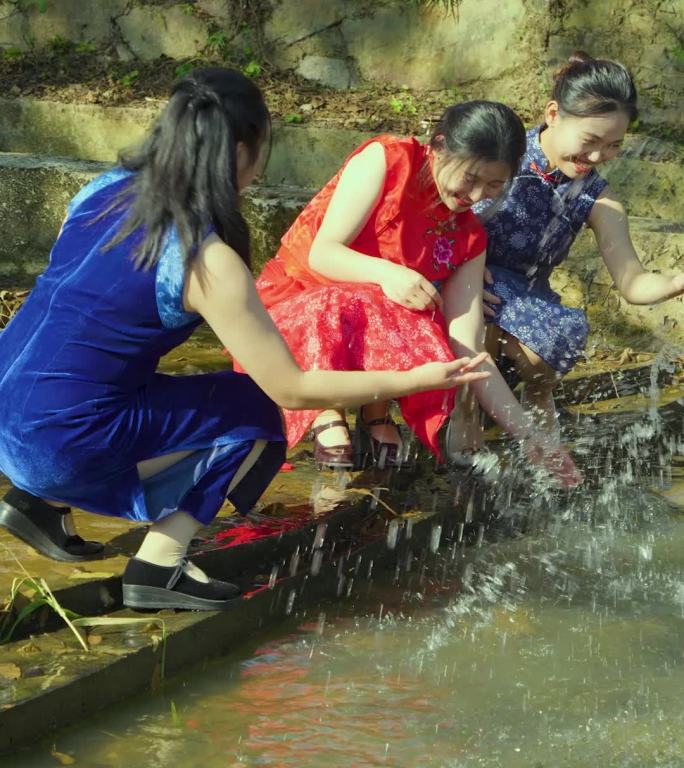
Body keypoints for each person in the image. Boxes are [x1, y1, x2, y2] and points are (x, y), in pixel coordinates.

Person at [0, 68, 492, 612]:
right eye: (261, 150)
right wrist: (414, 380)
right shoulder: (205, 260)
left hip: (9, 409)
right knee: (256, 408)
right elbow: (293, 388)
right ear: (240, 153)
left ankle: (38, 503)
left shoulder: (101, 191)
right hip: (57, 444)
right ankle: (159, 565)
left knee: (114, 376)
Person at [254, 100, 580, 483]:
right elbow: (323, 253)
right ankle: (327, 410)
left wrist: (529, 435)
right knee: (379, 295)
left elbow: (469, 351)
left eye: (494, 186)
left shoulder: (468, 237)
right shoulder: (388, 160)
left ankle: (372, 410)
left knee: (425, 323)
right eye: (471, 178)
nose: (476, 197)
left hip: (365, 326)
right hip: (293, 313)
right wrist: (388, 274)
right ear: (440, 146)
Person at [451, 52, 684, 452]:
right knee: (485, 304)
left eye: (613, 146)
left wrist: (677, 281)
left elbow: (633, 283)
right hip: (462, 283)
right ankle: (465, 410)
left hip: (527, 298)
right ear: (554, 114)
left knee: (562, 337)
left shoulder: (598, 197)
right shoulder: (503, 155)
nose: (596, 158)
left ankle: (537, 406)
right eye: (590, 142)